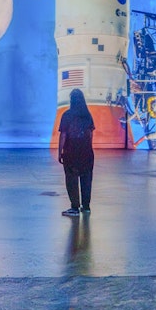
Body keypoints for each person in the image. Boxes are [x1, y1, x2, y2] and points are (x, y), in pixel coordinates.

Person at [58, 88, 95, 216]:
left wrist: (60, 151)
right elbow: (90, 134)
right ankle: (86, 206)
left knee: (71, 180)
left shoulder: (67, 115)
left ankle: (75, 208)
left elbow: (63, 135)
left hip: (71, 152)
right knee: (86, 179)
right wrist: (88, 147)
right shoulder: (87, 115)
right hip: (86, 152)